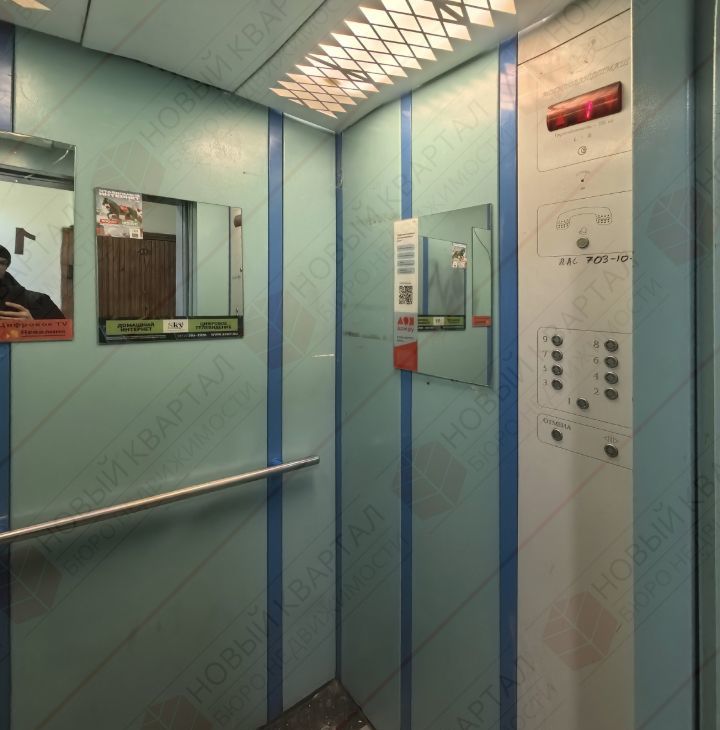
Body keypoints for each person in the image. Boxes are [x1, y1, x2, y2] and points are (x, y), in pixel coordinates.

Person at [0, 245, 64, 320]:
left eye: (1, 263)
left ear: (6, 267)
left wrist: (32, 325)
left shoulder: (38, 301)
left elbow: (63, 327)